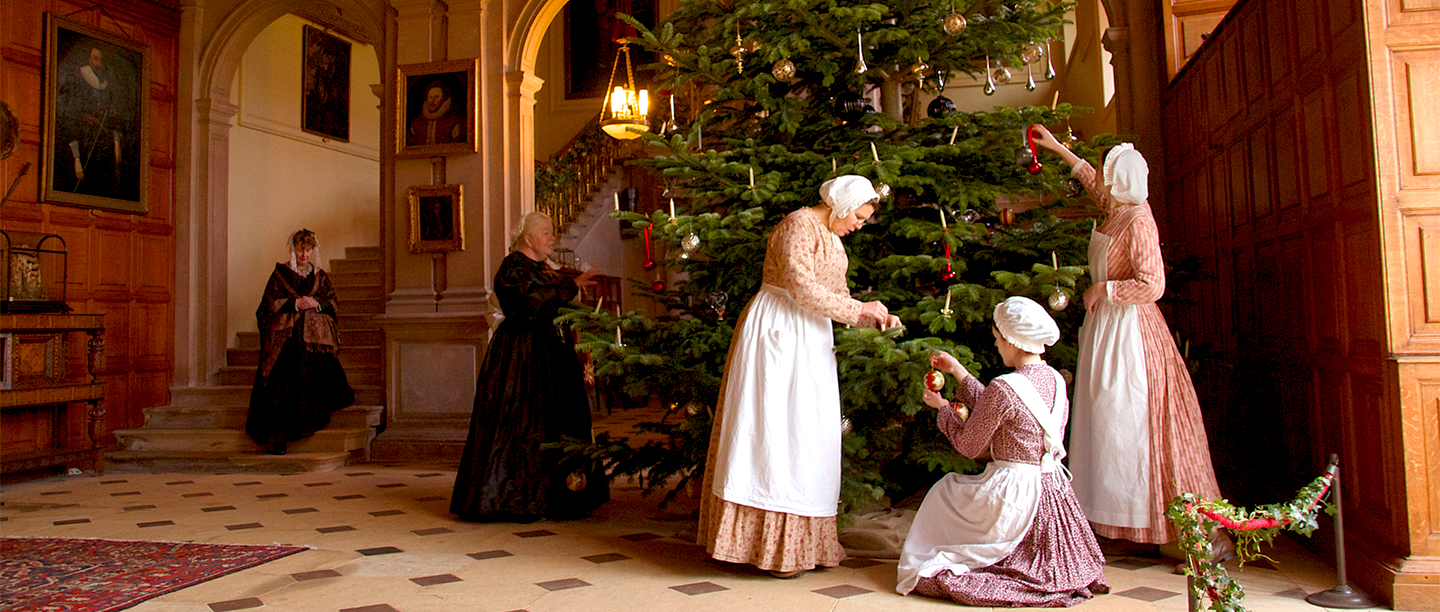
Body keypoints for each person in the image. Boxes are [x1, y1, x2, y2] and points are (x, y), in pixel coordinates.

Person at [1030, 125, 1232, 557]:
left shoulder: (1139, 218)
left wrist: (1104, 290)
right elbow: (1092, 183)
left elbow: (1153, 284)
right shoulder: (1118, 209)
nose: (1102, 180)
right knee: (1106, 426)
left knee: (1131, 425)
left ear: (1119, 180)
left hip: (1132, 336)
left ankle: (1193, 533)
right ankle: (1116, 522)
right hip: (1107, 331)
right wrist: (1058, 148)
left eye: (1107, 174)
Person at [698, 175, 902, 578]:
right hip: (779, 330)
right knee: (774, 432)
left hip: (811, 336)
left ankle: (799, 544)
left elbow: (837, 297)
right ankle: (763, 546)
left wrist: (875, 318)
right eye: (858, 217)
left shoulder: (833, 236)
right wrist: (861, 309)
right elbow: (802, 288)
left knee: (807, 436)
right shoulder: (798, 224)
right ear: (841, 206)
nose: (859, 225)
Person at [897, 296, 1108, 606]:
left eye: (997, 339)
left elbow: (969, 445)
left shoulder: (1005, 387)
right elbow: (1004, 408)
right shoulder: (1055, 380)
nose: (996, 345)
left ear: (1012, 340)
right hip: (1053, 488)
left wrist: (943, 409)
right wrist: (958, 371)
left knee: (946, 491)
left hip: (1015, 491)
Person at [451, 212, 608, 521]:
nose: (552, 238)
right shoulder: (512, 267)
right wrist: (571, 285)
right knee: (523, 423)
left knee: (557, 420)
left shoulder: (545, 269)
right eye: (546, 232)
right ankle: (514, 499)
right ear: (527, 239)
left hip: (552, 355)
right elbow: (529, 303)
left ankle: (560, 498)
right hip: (521, 356)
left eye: (552, 232)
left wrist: (573, 294)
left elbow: (555, 302)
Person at [247, 229, 355, 455]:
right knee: (280, 382)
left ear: (313, 251)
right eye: (300, 250)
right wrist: (295, 304)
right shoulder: (280, 275)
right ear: (292, 249)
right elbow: (267, 305)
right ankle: (278, 438)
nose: (304, 255)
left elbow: (334, 304)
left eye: (308, 250)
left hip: (313, 344)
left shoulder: (320, 277)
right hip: (285, 342)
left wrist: (317, 304)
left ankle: (309, 422)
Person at [56, 46, 137, 198]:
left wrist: (116, 142)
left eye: (102, 61)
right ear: (88, 59)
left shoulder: (107, 86)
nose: (99, 64)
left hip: (104, 146)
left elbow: (114, 119)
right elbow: (70, 119)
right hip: (84, 143)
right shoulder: (77, 82)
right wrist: (76, 159)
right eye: (96, 59)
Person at [407, 81, 462, 146]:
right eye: (430, 97)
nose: (432, 101)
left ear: (444, 100)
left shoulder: (453, 122)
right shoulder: (416, 123)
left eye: (437, 97)